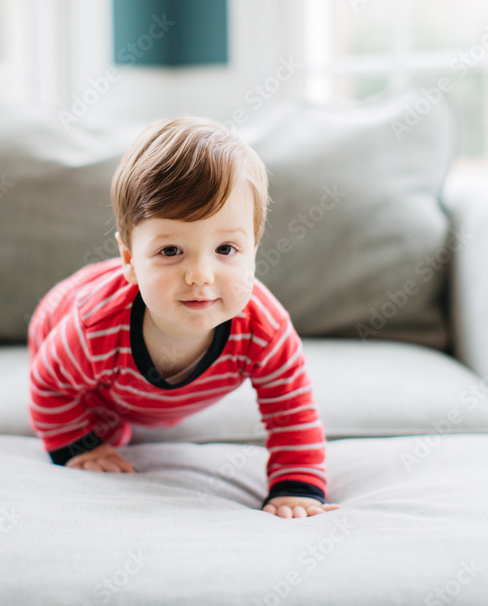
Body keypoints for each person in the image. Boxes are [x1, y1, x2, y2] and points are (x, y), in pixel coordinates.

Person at [28, 117, 340, 519]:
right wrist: (78, 446)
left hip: (128, 375)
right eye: (171, 251)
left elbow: (291, 411)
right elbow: (49, 383)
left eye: (226, 249)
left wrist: (296, 487)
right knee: (107, 430)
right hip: (60, 320)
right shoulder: (91, 328)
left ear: (255, 250)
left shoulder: (265, 330)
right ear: (130, 260)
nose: (200, 275)